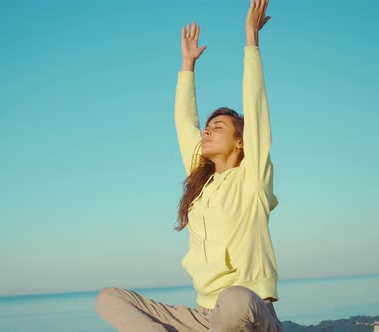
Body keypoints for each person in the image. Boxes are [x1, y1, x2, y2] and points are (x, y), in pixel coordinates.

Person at [95, 0, 284, 331]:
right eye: (207, 127)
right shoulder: (202, 184)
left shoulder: (252, 179)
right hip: (203, 316)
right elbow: (185, 124)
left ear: (242, 141)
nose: (207, 131)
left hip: (250, 312)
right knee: (110, 298)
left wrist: (251, 41)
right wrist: (187, 66)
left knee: (236, 298)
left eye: (219, 127)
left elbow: (256, 111)